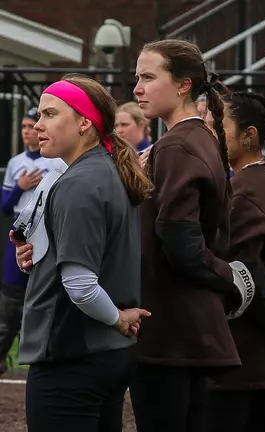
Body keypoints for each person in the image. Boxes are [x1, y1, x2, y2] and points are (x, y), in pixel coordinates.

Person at [11, 74, 152, 431]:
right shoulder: (108, 170)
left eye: (50, 114)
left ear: (85, 122)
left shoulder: (80, 182)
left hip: (72, 355)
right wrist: (37, 253)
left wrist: (117, 318)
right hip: (105, 354)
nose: (39, 125)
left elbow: (80, 284)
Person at [130, 39, 255, 432]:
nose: (137, 88)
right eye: (137, 77)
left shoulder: (178, 145)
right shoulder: (196, 139)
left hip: (170, 328)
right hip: (190, 326)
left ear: (183, 85)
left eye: (148, 77)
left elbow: (181, 243)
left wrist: (228, 281)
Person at [205, 89, 265, 432]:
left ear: (249, 136)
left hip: (242, 353)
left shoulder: (248, 188)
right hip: (256, 355)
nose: (212, 132)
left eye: (219, 125)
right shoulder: (261, 180)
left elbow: (248, 278)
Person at [0, 107, 67, 375]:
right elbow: (5, 207)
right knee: (10, 303)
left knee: (49, 296)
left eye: (33, 124)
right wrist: (20, 186)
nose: (29, 130)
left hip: (49, 232)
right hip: (21, 231)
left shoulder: (57, 160)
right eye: (25, 126)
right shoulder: (16, 163)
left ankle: (49, 359)